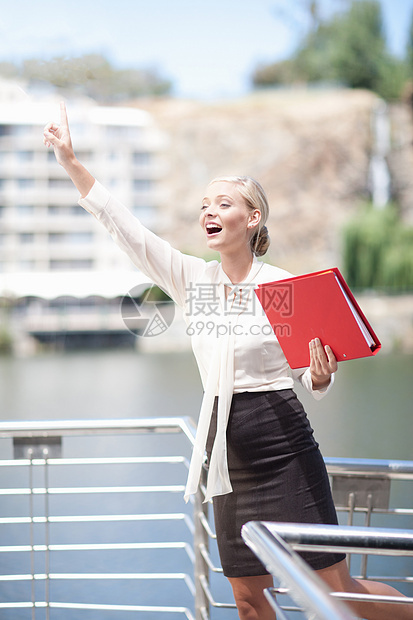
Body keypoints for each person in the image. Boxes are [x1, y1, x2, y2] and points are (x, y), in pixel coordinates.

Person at [44, 103, 413, 620]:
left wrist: (322, 374)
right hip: (226, 454)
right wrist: (70, 162)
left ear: (252, 218)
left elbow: (310, 372)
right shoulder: (193, 281)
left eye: (222, 203)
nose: (209, 212)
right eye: (204, 205)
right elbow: (126, 230)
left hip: (283, 444)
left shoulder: (281, 287)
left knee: (334, 590)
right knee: (246, 597)